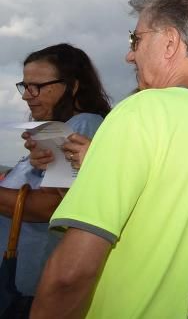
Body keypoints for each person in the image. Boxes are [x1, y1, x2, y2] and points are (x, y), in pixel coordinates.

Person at [32, 0, 188, 318]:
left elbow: (71, 273)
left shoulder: (141, 111)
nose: (130, 54)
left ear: (170, 42)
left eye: (136, 39)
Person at [0, 44, 111, 316]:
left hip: (29, 290)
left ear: (72, 86)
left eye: (37, 86)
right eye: (24, 86)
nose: (27, 96)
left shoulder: (81, 125)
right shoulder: (54, 130)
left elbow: (50, 207)